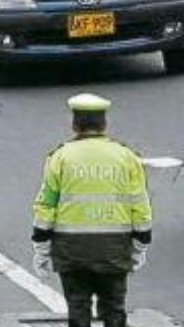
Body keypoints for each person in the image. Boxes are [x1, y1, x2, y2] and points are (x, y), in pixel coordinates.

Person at [32, 94, 152, 327]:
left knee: (78, 308)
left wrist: (41, 247)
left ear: (74, 124)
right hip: (114, 247)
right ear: (104, 124)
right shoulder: (126, 157)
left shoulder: (60, 157)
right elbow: (140, 205)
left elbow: (46, 205)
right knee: (114, 308)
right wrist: (140, 245)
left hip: (72, 249)